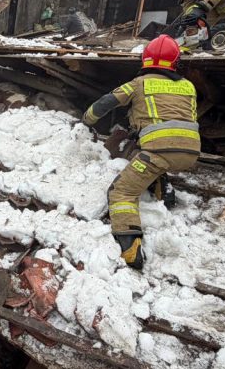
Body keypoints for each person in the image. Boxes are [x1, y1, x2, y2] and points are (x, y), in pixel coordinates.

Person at [82, 34, 200, 269]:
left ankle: (130, 246)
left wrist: (86, 120)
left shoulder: (138, 84)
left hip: (158, 153)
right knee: (148, 160)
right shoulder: (188, 86)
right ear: (175, 62)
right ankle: (163, 192)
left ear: (145, 60)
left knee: (121, 192)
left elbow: (106, 102)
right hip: (190, 152)